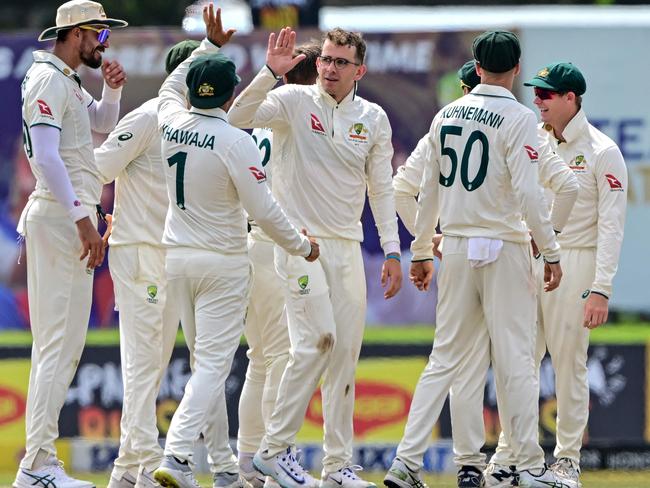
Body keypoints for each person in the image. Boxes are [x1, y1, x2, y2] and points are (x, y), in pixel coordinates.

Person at [383, 31, 576, 488]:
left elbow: (425, 191)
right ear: (516, 69)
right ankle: (527, 466)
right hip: (503, 246)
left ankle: (406, 463)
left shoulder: (446, 113)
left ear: (476, 65)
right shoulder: (518, 116)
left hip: (457, 247)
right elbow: (530, 193)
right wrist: (550, 250)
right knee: (515, 358)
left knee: (444, 360)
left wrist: (421, 248)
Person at [152, 6, 319, 488]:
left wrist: (207, 46)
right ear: (230, 94)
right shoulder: (233, 140)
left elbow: (168, 89)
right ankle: (179, 454)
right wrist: (302, 247)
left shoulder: (169, 120)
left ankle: (215, 465)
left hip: (177, 259)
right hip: (224, 262)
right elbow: (264, 210)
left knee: (207, 365)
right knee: (212, 367)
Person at [228, 25, 402, 488]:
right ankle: (274, 449)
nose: (328, 68)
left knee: (343, 356)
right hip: (300, 247)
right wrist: (269, 72)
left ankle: (337, 467)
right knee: (317, 341)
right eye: (325, 59)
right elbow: (236, 117)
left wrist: (391, 249)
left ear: (359, 70)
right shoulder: (293, 102)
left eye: (340, 62)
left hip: (346, 247)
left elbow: (381, 188)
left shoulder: (374, 117)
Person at [95, 39, 238, 488]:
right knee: (144, 365)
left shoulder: (195, 126)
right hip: (140, 251)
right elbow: (99, 167)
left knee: (171, 363)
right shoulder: (150, 116)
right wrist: (96, 214)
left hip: (172, 255)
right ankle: (142, 465)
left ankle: (130, 469)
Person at [488, 62, 627, 488]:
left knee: (568, 365)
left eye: (547, 94)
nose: (538, 100)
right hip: (531, 260)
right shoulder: (532, 141)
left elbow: (612, 226)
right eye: (536, 93)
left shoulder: (603, 151)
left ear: (571, 98)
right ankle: (510, 455)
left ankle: (566, 461)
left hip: (577, 263)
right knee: (519, 361)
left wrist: (600, 289)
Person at [13, 1, 127, 487]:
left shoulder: (68, 81)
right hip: (62, 219)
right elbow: (44, 156)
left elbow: (97, 125)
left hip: (68, 218)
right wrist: (82, 220)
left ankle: (39, 462)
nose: (103, 43)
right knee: (58, 346)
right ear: (75, 33)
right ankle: (37, 464)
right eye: (98, 34)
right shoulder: (48, 80)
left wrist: (113, 89)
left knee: (63, 346)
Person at [237, 42, 321, 488]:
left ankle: (250, 462)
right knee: (282, 357)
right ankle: (273, 460)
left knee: (262, 359)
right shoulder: (301, 120)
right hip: (279, 244)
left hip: (253, 241)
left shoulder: (266, 122)